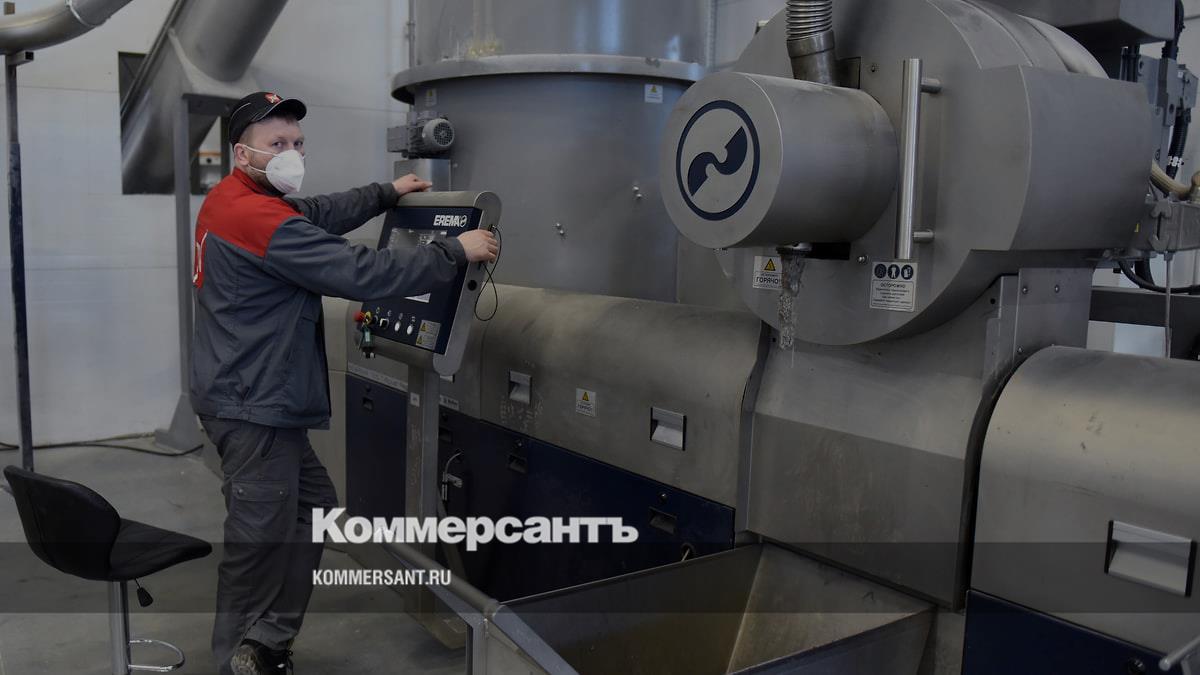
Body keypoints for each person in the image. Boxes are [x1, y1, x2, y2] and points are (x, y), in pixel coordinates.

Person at [189, 91, 498, 674]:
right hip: (253, 404)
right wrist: (454, 250)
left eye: (297, 142)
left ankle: (268, 641)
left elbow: (316, 212)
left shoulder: (237, 200)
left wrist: (385, 194)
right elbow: (362, 272)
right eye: (276, 143)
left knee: (313, 508)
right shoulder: (257, 219)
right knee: (259, 542)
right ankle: (235, 660)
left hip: (254, 394)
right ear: (242, 153)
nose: (291, 153)